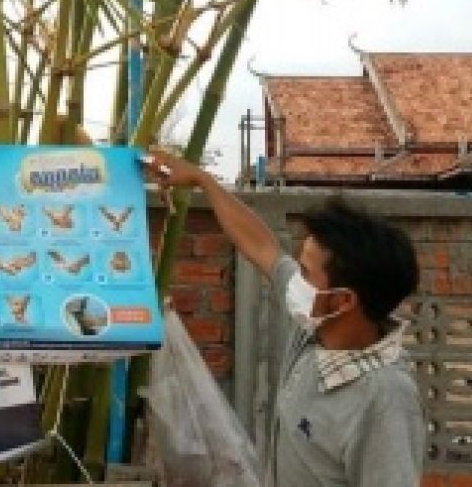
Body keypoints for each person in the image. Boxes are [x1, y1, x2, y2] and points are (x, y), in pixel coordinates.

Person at [141, 149, 424, 487]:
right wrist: (203, 180)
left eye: (305, 273)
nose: (295, 280)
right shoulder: (317, 330)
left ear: (344, 300)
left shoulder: (384, 400)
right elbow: (263, 248)